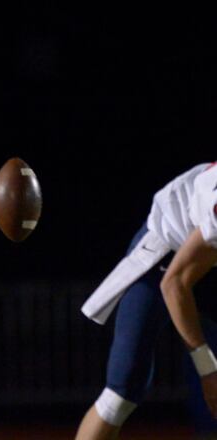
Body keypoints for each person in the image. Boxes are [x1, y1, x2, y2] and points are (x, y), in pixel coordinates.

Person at [76, 162, 217, 439]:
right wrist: (208, 370)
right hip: (167, 258)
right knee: (121, 391)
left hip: (206, 262)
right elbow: (174, 284)